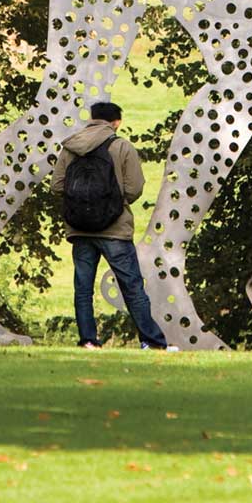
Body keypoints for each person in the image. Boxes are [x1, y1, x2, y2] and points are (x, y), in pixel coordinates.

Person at [51, 101, 169, 350]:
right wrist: (112, 205)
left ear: (92, 118)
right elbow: (134, 187)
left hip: (80, 229)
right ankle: (151, 341)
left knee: (83, 288)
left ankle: (88, 341)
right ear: (116, 122)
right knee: (132, 287)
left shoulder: (70, 148)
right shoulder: (122, 146)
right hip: (114, 229)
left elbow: (57, 185)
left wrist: (81, 203)